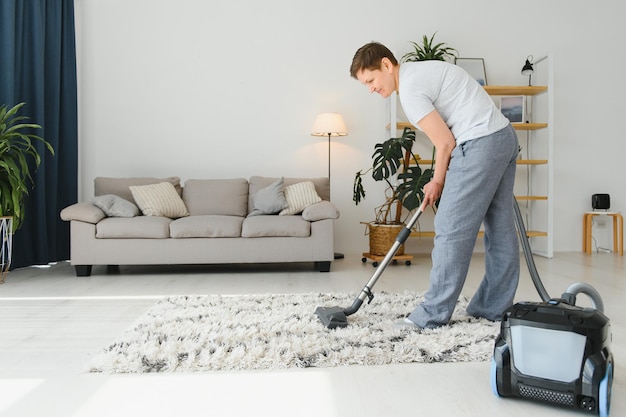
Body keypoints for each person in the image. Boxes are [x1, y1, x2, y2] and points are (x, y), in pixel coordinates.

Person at [350, 42, 520, 329]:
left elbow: (445, 143)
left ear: (386, 65)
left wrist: (437, 180)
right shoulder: (422, 71)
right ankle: (493, 308)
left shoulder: (412, 90)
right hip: (503, 137)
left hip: (479, 143)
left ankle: (431, 314)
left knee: (450, 228)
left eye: (371, 80)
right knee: (500, 228)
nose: (371, 89)